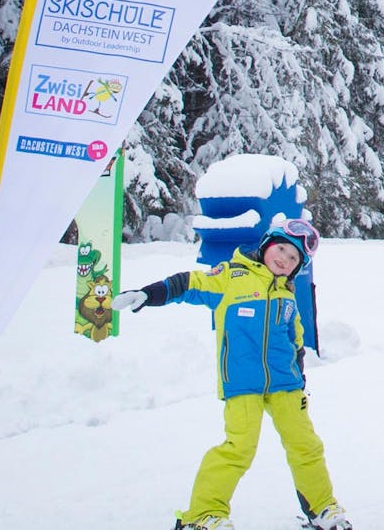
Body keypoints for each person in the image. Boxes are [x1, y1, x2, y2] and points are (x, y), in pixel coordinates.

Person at [112, 219, 352, 530]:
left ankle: (323, 509)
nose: (285, 259)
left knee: (306, 445)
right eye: (281, 249)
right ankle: (202, 515)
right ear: (267, 245)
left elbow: (296, 340)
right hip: (242, 384)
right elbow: (189, 283)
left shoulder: (287, 295)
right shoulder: (231, 277)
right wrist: (150, 293)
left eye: (294, 259)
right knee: (239, 448)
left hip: (286, 386)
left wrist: (299, 379)